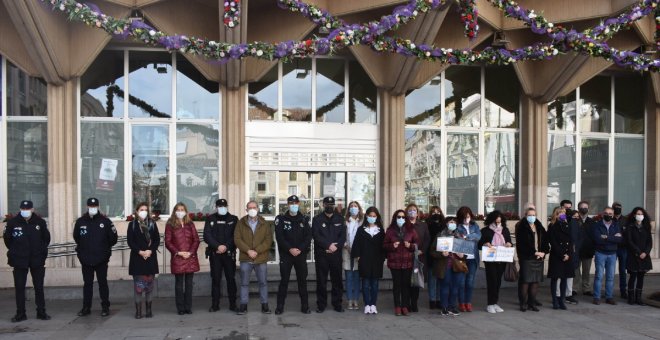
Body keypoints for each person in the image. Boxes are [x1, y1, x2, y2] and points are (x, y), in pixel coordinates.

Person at [4, 200, 51, 322]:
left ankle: (41, 312)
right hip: (19, 260)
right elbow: (8, 240)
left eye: (28, 209)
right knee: (19, 288)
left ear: (32, 209)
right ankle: (20, 313)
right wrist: (16, 250)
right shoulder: (12, 223)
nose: (25, 211)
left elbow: (46, 239)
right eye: (23, 209)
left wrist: (40, 252)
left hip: (37, 259)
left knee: (39, 287)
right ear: (20, 209)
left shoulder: (40, 222)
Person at [73, 198, 118, 317]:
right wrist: (82, 253)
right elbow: (77, 238)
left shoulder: (106, 221)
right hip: (86, 259)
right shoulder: (80, 222)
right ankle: (86, 307)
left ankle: (105, 307)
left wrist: (105, 250)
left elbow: (113, 239)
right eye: (90, 206)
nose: (92, 208)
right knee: (87, 284)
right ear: (87, 206)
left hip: (101, 259)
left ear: (98, 206)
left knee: (102, 283)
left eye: (95, 206)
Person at [274, 195, 313, 315]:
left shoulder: (304, 219)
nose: (294, 205)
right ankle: (280, 306)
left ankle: (305, 306)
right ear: (287, 204)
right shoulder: (280, 219)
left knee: (302, 281)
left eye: (296, 203)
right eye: (291, 203)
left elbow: (308, 236)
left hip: (300, 255)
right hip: (286, 255)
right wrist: (290, 249)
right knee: (284, 280)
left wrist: (300, 249)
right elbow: (279, 237)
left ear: (299, 204)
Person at [234, 201, 273, 315]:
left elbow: (268, 240)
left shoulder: (264, 223)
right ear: (246, 210)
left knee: (263, 283)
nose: (252, 209)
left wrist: (257, 251)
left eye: (254, 207)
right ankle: (243, 305)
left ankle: (265, 305)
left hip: (260, 258)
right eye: (249, 207)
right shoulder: (241, 223)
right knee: (244, 283)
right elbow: (237, 239)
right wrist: (248, 250)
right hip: (246, 258)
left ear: (258, 209)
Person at [165, 203, 201, 315]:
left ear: (185, 211)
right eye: (178, 209)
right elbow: (168, 241)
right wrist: (178, 252)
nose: (180, 211)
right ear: (174, 211)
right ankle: (180, 308)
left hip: (190, 258)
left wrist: (190, 252)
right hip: (178, 258)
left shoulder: (190, 224)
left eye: (182, 209)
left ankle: (188, 307)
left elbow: (196, 240)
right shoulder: (170, 224)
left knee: (189, 284)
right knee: (179, 284)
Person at [312, 197, 346, 313]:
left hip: (336, 255)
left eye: (332, 204)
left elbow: (343, 236)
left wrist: (335, 247)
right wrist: (328, 246)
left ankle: (337, 304)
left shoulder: (340, 219)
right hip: (322, 255)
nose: (330, 206)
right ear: (323, 205)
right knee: (321, 281)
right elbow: (316, 236)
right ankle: (321, 304)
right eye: (327, 204)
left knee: (337, 280)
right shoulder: (317, 219)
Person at [203, 198, 238, 312]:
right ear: (216, 207)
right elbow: (207, 235)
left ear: (227, 207)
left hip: (229, 254)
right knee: (216, 280)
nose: (222, 208)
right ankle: (215, 304)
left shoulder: (233, 219)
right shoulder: (210, 219)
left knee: (230, 279)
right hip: (215, 254)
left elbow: (235, 236)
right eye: (219, 206)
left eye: (224, 206)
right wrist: (217, 246)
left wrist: (226, 247)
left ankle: (233, 304)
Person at [127, 202, 160, 319]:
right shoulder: (132, 225)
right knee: (138, 287)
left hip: (150, 258)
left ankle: (149, 310)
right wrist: (140, 252)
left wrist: (150, 250)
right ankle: (138, 311)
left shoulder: (152, 224)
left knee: (150, 286)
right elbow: (130, 241)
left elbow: (157, 240)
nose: (144, 211)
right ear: (137, 211)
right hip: (137, 259)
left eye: (146, 209)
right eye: (141, 209)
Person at [351, 207, 386, 314]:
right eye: (370, 216)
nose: (372, 218)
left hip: (376, 260)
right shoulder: (361, 229)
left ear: (377, 217)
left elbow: (384, 246)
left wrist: (382, 258)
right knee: (365, 283)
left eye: (374, 216)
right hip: (365, 260)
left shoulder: (380, 230)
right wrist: (358, 256)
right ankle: (367, 304)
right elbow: (356, 244)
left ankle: (373, 304)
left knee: (375, 284)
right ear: (366, 216)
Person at [383, 210, 418, 316]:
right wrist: (392, 246)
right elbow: (384, 245)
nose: (401, 219)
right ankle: (397, 306)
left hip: (407, 262)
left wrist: (410, 246)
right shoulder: (390, 231)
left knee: (405, 285)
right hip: (395, 262)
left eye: (403, 217)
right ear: (395, 218)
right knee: (397, 285)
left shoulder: (411, 230)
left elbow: (416, 244)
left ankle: (405, 306)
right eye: (399, 217)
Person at [430, 216, 465, 316]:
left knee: (455, 287)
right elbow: (432, 251)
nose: (452, 223)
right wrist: (441, 254)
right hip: (445, 265)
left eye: (454, 222)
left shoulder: (460, 236)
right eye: (450, 222)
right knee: (445, 286)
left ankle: (452, 306)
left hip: (457, 266)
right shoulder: (440, 235)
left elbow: (466, 252)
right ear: (446, 223)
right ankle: (444, 307)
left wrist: (462, 255)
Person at [478, 210, 512, 313]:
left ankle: (495, 302)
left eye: (499, 221)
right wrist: (485, 244)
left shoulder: (505, 230)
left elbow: (510, 242)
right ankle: (490, 304)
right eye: (496, 221)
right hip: (490, 259)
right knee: (492, 281)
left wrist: (509, 244)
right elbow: (479, 244)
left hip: (502, 259)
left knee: (498, 282)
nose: (498, 223)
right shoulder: (485, 230)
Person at [515, 207, 548, 312]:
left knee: (535, 282)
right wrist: (534, 252)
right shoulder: (521, 227)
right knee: (525, 281)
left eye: (534, 215)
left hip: (539, 258)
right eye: (530, 215)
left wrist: (544, 252)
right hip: (527, 258)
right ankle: (523, 303)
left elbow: (545, 241)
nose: (532, 217)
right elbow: (522, 245)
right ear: (525, 215)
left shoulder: (539, 226)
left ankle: (532, 303)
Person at [592, 206, 623, 305]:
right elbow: (597, 239)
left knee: (610, 277)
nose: (608, 215)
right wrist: (612, 238)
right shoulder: (597, 225)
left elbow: (619, 239)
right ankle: (596, 297)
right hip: (600, 253)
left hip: (612, 254)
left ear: (613, 215)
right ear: (602, 214)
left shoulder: (616, 225)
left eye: (610, 214)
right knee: (599, 276)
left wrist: (606, 237)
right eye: (606, 213)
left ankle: (609, 297)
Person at [624, 207, 653, 305]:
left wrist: (645, 252)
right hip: (634, 255)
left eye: (641, 214)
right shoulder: (630, 227)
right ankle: (631, 298)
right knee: (633, 276)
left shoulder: (646, 227)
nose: (639, 216)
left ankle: (638, 298)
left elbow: (650, 242)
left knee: (641, 277)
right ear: (634, 215)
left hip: (644, 256)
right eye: (638, 214)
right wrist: (638, 252)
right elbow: (629, 241)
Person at [547, 207, 574, 310]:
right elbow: (553, 243)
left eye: (564, 213)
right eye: (560, 213)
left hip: (567, 256)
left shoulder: (567, 225)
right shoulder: (552, 226)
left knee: (564, 278)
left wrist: (569, 254)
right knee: (555, 278)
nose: (563, 214)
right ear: (556, 215)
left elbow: (571, 241)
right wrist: (562, 254)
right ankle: (555, 300)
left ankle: (562, 300)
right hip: (557, 256)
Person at [455, 206, 481, 312]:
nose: (467, 219)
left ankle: (468, 302)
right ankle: (461, 303)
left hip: (473, 258)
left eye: (468, 217)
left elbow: (478, 236)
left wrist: (467, 237)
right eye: (465, 217)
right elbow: (457, 237)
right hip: (462, 258)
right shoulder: (458, 227)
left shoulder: (475, 225)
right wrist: (468, 237)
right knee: (461, 282)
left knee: (470, 282)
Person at [406, 203, 429, 313]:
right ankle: (407, 303)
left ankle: (414, 303)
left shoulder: (423, 225)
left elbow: (427, 240)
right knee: (406, 280)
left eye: (414, 210)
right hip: (406, 256)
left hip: (418, 257)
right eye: (410, 210)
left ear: (417, 212)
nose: (412, 212)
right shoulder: (404, 225)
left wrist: (422, 250)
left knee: (416, 280)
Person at [343, 201, 363, 310]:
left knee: (357, 277)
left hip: (358, 253)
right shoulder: (345, 221)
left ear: (359, 209)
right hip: (347, 251)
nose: (353, 208)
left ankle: (356, 300)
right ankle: (349, 300)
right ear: (348, 209)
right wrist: (346, 246)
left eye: (355, 206)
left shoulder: (362, 222)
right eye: (351, 206)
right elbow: (341, 236)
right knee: (349, 277)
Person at [426, 206, 446, 310]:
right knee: (432, 279)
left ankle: (439, 299)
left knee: (440, 278)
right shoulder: (428, 224)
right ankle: (432, 300)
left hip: (442, 254)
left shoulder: (444, 224)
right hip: (431, 254)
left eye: (438, 212)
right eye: (433, 212)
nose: (436, 213)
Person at [575, 201, 595, 296]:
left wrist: (593, 249)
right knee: (576, 270)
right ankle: (574, 288)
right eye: (582, 207)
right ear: (578, 209)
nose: (584, 209)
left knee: (586, 271)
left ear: (588, 209)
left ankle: (586, 288)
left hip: (588, 250)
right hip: (576, 250)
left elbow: (594, 236)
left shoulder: (592, 222)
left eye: (585, 207)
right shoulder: (574, 220)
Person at [612, 202, 629, 299]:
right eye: (616, 208)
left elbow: (629, 235)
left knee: (623, 270)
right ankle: (609, 291)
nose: (618, 209)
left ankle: (623, 291)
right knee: (610, 270)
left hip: (623, 248)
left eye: (619, 208)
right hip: (612, 248)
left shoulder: (626, 220)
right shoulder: (610, 219)